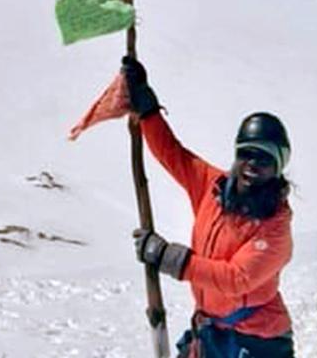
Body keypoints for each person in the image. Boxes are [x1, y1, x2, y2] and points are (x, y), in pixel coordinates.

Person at [122, 56, 295, 358]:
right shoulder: (212, 187)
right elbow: (173, 154)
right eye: (247, 153)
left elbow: (236, 278)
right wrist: (148, 110)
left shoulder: (275, 227)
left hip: (257, 343)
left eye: (264, 158)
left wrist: (166, 256)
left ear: (278, 166)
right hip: (211, 332)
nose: (253, 164)